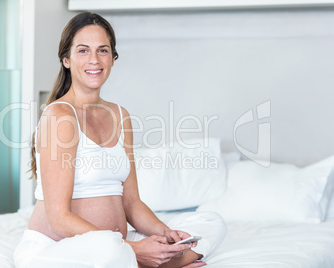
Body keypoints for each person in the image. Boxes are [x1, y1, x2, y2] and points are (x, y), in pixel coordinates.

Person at [14, 12, 226, 268]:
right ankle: (145, 260)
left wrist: (165, 233)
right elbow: (59, 217)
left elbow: (132, 203)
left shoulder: (119, 115)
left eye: (103, 50)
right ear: (66, 59)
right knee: (110, 251)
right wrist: (132, 249)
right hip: (58, 248)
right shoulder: (59, 116)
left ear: (113, 59)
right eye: (83, 51)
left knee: (212, 223)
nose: (94, 59)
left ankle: (151, 258)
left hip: (116, 247)